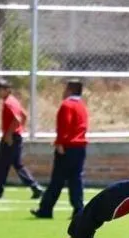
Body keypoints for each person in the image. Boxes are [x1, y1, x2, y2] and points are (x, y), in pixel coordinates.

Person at [31, 80, 89, 219]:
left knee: (57, 180)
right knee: (76, 179)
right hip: (80, 147)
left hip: (67, 146)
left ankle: (46, 209)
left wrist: (59, 143)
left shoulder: (66, 105)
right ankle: (78, 209)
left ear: (69, 90)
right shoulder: (82, 106)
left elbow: (64, 125)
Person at [0, 78, 43, 200]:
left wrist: (9, 134)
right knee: (16, 164)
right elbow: (24, 115)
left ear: (7, 90)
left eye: (1, 90)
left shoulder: (9, 103)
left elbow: (17, 119)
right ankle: (35, 187)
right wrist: (20, 130)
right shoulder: (14, 101)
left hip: (11, 137)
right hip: (15, 136)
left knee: (2, 164)